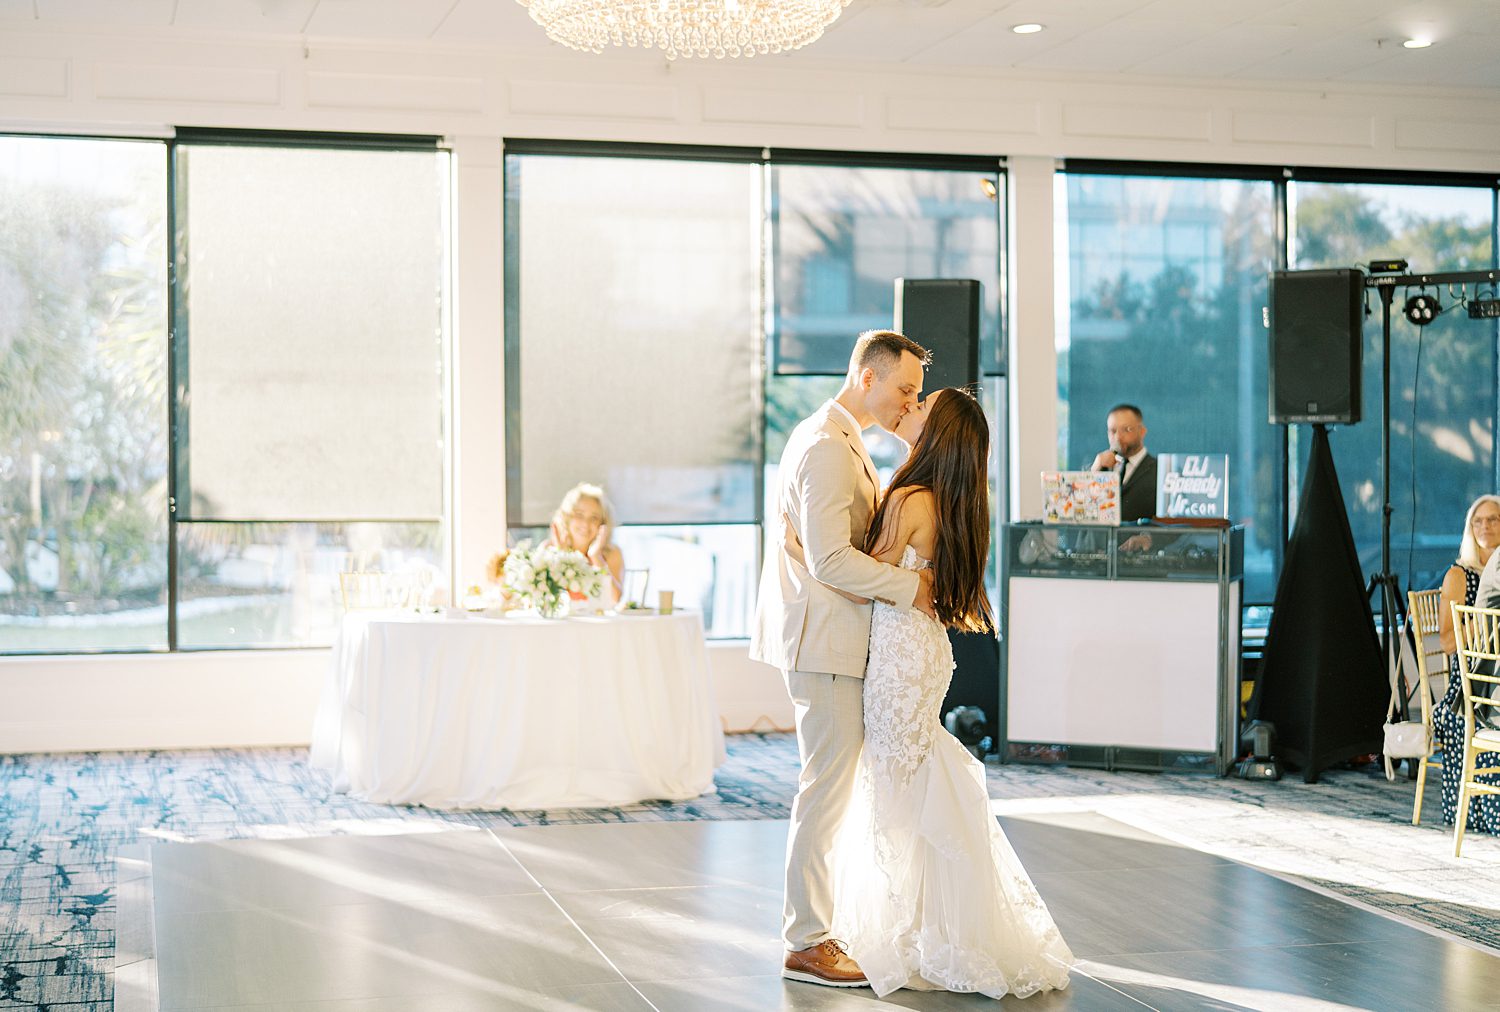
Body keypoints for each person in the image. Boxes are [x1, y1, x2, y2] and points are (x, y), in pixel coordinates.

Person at [786, 388, 1074, 998]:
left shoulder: (912, 496)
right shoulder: (955, 502)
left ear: (935, 431)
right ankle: (925, 922)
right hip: (923, 655)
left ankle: (910, 926)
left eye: (923, 404)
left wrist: (798, 547)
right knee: (911, 775)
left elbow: (858, 577)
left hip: (896, 659)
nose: (910, 406)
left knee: (894, 784)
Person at [751, 329, 937, 988]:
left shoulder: (839, 439)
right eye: (905, 389)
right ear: (867, 376)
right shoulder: (828, 448)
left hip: (831, 637)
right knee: (825, 791)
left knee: (830, 787)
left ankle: (818, 927)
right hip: (824, 639)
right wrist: (911, 588)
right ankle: (806, 939)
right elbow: (831, 557)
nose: (909, 402)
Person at [1443, 495, 1500, 834]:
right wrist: (1481, 623)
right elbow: (1448, 643)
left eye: (1493, 520)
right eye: (1478, 521)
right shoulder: (1460, 575)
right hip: (1468, 682)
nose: (1485, 527)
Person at [541, 483, 624, 607]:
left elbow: (615, 599)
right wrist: (561, 556)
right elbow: (543, 600)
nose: (585, 524)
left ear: (603, 524)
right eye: (579, 515)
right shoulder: (549, 549)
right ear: (567, 517)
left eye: (594, 518)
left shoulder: (612, 553)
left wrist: (596, 557)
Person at [1090, 403, 1157, 524]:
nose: (1118, 437)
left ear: (1142, 431)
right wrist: (1095, 469)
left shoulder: (1158, 471)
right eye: (1113, 431)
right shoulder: (1099, 467)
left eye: (1127, 429)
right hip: (1095, 542)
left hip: (1134, 541)